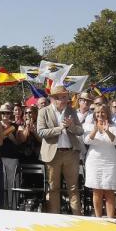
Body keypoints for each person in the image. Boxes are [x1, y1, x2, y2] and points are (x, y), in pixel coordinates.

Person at [37, 85, 85, 215]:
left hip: (71, 153)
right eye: (61, 97)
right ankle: (54, 219)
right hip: (53, 155)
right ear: (53, 99)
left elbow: (80, 131)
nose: (64, 100)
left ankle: (77, 217)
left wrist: (71, 126)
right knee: (53, 188)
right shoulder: (43, 111)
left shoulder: (71, 110)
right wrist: (60, 128)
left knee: (74, 188)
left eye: (65, 97)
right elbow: (40, 132)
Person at [83, 104, 116, 218]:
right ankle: (98, 218)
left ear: (107, 114)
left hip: (110, 161)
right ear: (95, 114)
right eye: (97, 113)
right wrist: (95, 130)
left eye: (103, 112)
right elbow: (86, 141)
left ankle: (111, 218)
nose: (100, 115)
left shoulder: (114, 126)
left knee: (109, 190)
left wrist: (107, 131)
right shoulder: (89, 126)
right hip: (94, 161)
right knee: (97, 190)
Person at [0, 103, 26, 204]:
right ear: (0, 113)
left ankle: (13, 204)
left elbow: (19, 142)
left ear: (11, 114)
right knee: (2, 183)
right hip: (0, 157)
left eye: (8, 113)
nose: (5, 115)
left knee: (13, 183)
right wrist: (3, 134)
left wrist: (12, 138)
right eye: (3, 113)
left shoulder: (15, 125)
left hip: (13, 157)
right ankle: (3, 205)